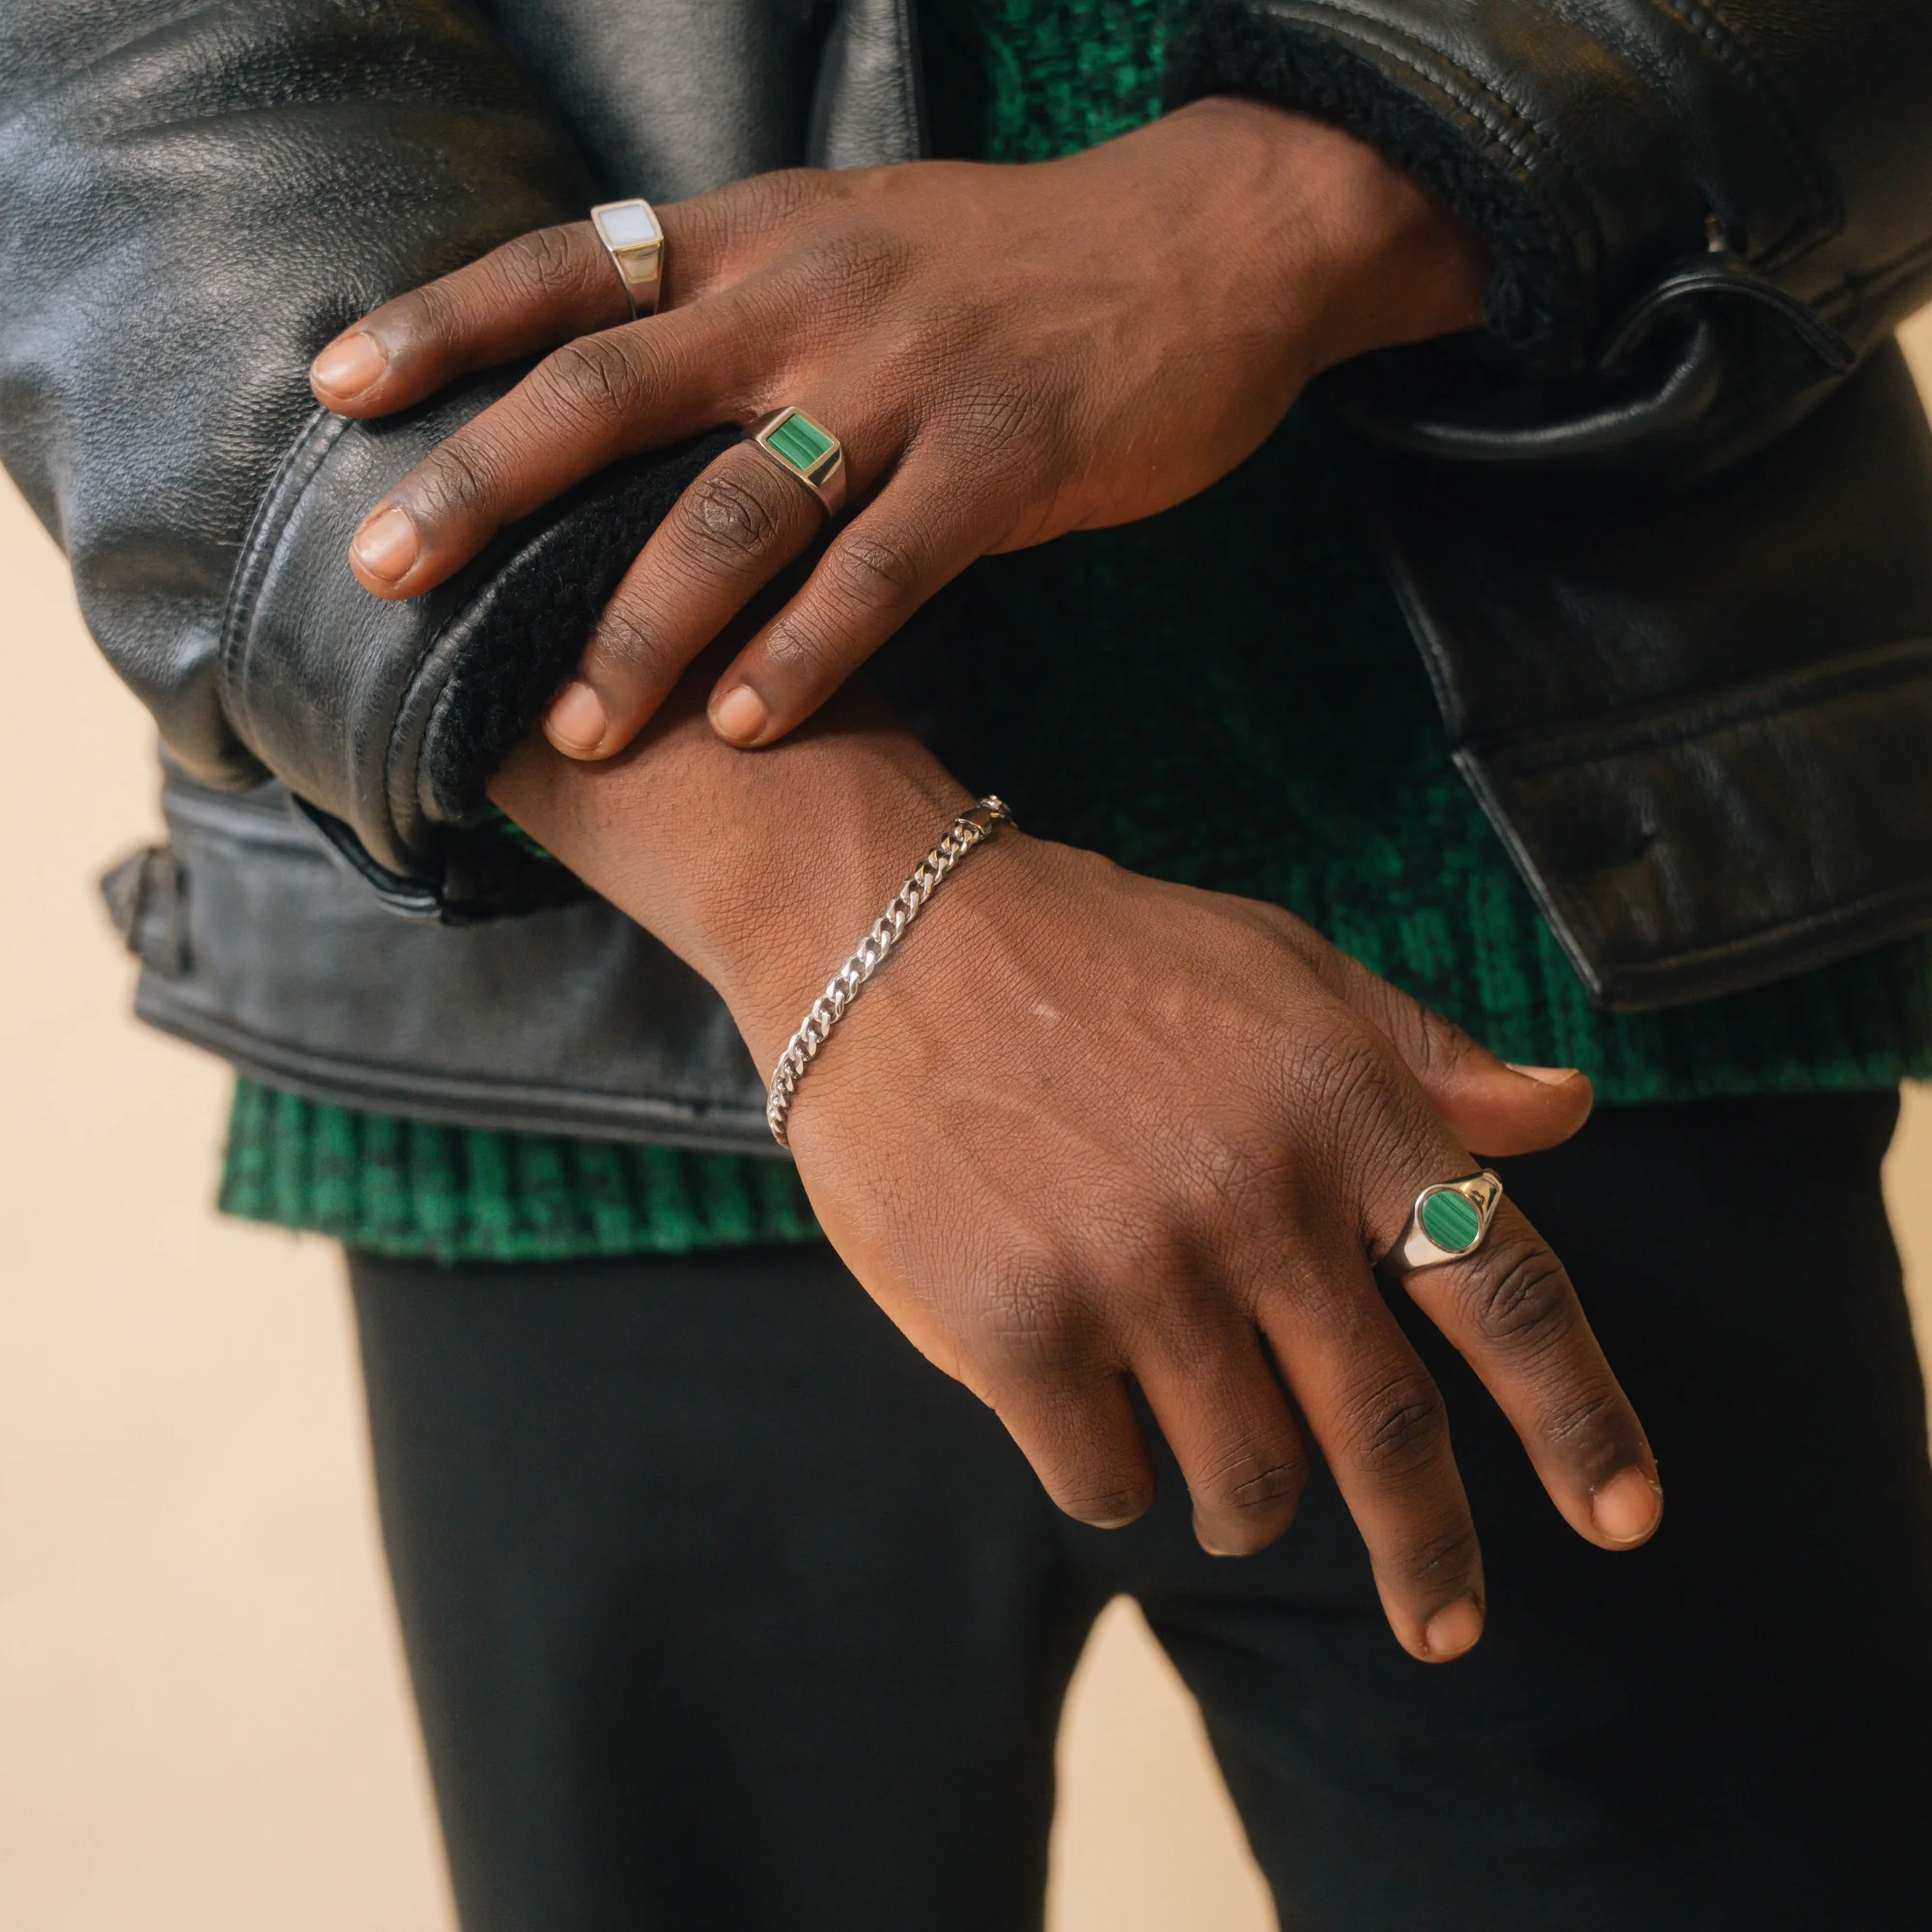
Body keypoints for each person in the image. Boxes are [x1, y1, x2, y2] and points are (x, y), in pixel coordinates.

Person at [6, 0, 1932, 1925]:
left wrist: (1279, 207)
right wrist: (825, 890)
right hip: (578, 1019)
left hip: (1563, 956)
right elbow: (112, 81)